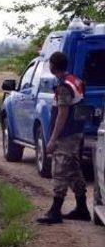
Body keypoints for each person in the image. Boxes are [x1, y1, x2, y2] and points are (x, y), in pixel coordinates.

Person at [37, 52, 89, 224]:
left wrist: (52, 140)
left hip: (66, 135)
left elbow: (62, 114)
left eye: (50, 63)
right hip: (76, 132)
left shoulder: (63, 87)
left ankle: (55, 211)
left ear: (53, 66)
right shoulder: (75, 80)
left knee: (59, 170)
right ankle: (82, 208)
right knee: (73, 169)